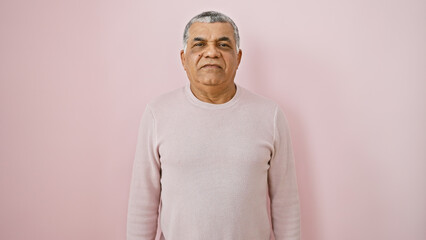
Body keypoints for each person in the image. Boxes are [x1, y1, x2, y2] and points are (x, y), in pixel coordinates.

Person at [127, 11, 301, 240]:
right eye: (199, 44)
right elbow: (143, 202)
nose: (211, 52)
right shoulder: (157, 114)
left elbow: (285, 202)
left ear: (238, 58)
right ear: (183, 58)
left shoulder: (270, 115)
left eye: (223, 44)